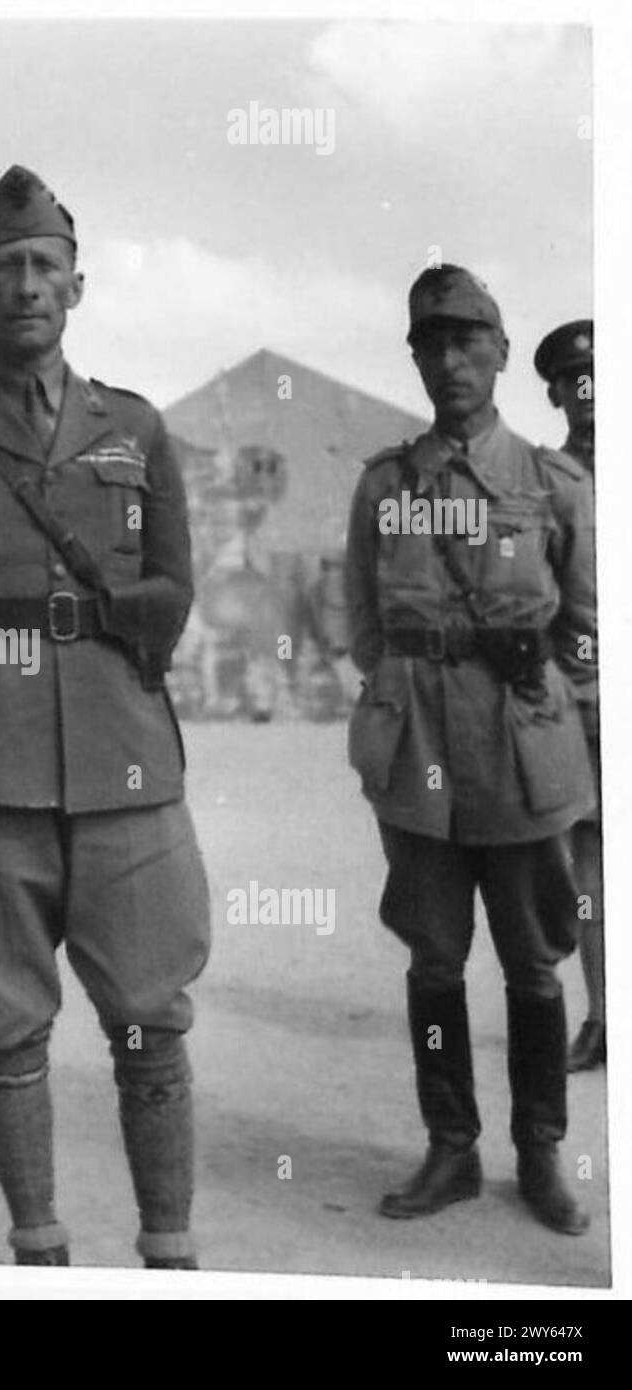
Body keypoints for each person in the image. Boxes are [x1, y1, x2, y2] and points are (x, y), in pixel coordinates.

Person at [0, 166, 211, 1268]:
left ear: (77, 286)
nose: (27, 286)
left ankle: (168, 1253)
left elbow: (173, 583)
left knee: (152, 1019)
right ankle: (41, 1256)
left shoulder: (137, 426)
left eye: (45, 268)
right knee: (9, 1030)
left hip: (123, 764)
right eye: (6, 269)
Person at [344, 265, 597, 1236]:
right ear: (415, 359)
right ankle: (451, 1146)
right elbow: (363, 617)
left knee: (534, 964)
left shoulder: (550, 481)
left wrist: (535, 690)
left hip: (521, 754)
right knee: (434, 962)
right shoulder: (385, 483)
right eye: (431, 346)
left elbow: (586, 626)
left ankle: (539, 1150)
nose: (450, 362)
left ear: (497, 351)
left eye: (468, 344)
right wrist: (409, 683)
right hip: (417, 762)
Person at [534, 321, 603, 1073]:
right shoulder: (544, 479)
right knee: (588, 864)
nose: (587, 394)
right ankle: (604, 1016)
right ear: (553, 392)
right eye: (571, 382)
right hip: (584, 698)